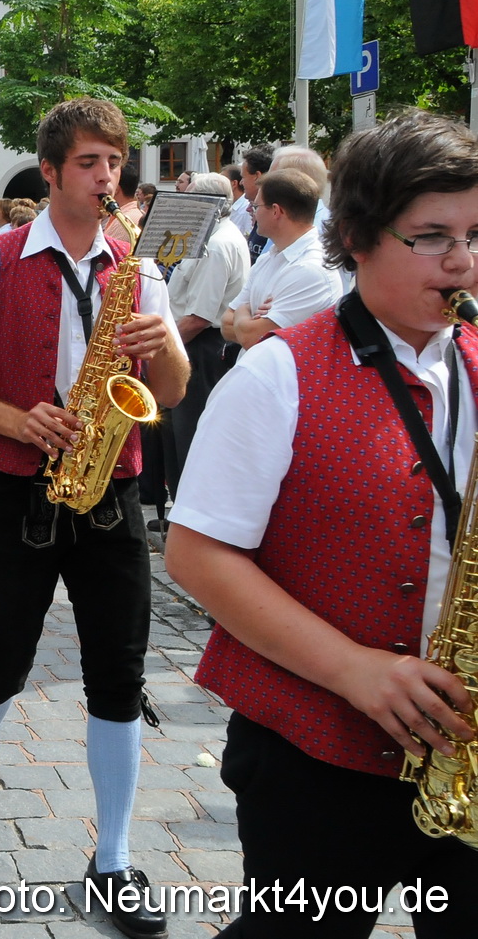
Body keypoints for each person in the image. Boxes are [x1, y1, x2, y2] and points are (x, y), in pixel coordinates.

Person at [166, 110, 478, 936]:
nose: (462, 261)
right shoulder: (276, 374)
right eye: (432, 237)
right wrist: (352, 669)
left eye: (475, 235)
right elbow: (194, 553)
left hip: (463, 746)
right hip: (313, 761)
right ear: (359, 238)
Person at [0, 98, 189, 939]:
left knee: (118, 669)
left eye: (114, 161)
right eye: (88, 162)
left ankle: (111, 858)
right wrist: (17, 419)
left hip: (110, 487)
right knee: (5, 648)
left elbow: (172, 389)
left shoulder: (139, 268)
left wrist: (161, 343)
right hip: (13, 486)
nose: (107, 177)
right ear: (48, 171)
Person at [161, 173, 249, 507]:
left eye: (190, 198)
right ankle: (179, 507)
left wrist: (162, 350)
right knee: (177, 434)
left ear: (208, 204)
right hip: (193, 342)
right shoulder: (210, 236)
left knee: (190, 436)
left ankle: (189, 513)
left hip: (199, 346)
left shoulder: (217, 245)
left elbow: (198, 317)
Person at [223, 169, 343, 353]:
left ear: (276, 211)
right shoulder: (269, 258)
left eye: (256, 206)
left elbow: (251, 337)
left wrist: (242, 310)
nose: (251, 211)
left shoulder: (311, 269)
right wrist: (249, 317)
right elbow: (225, 325)